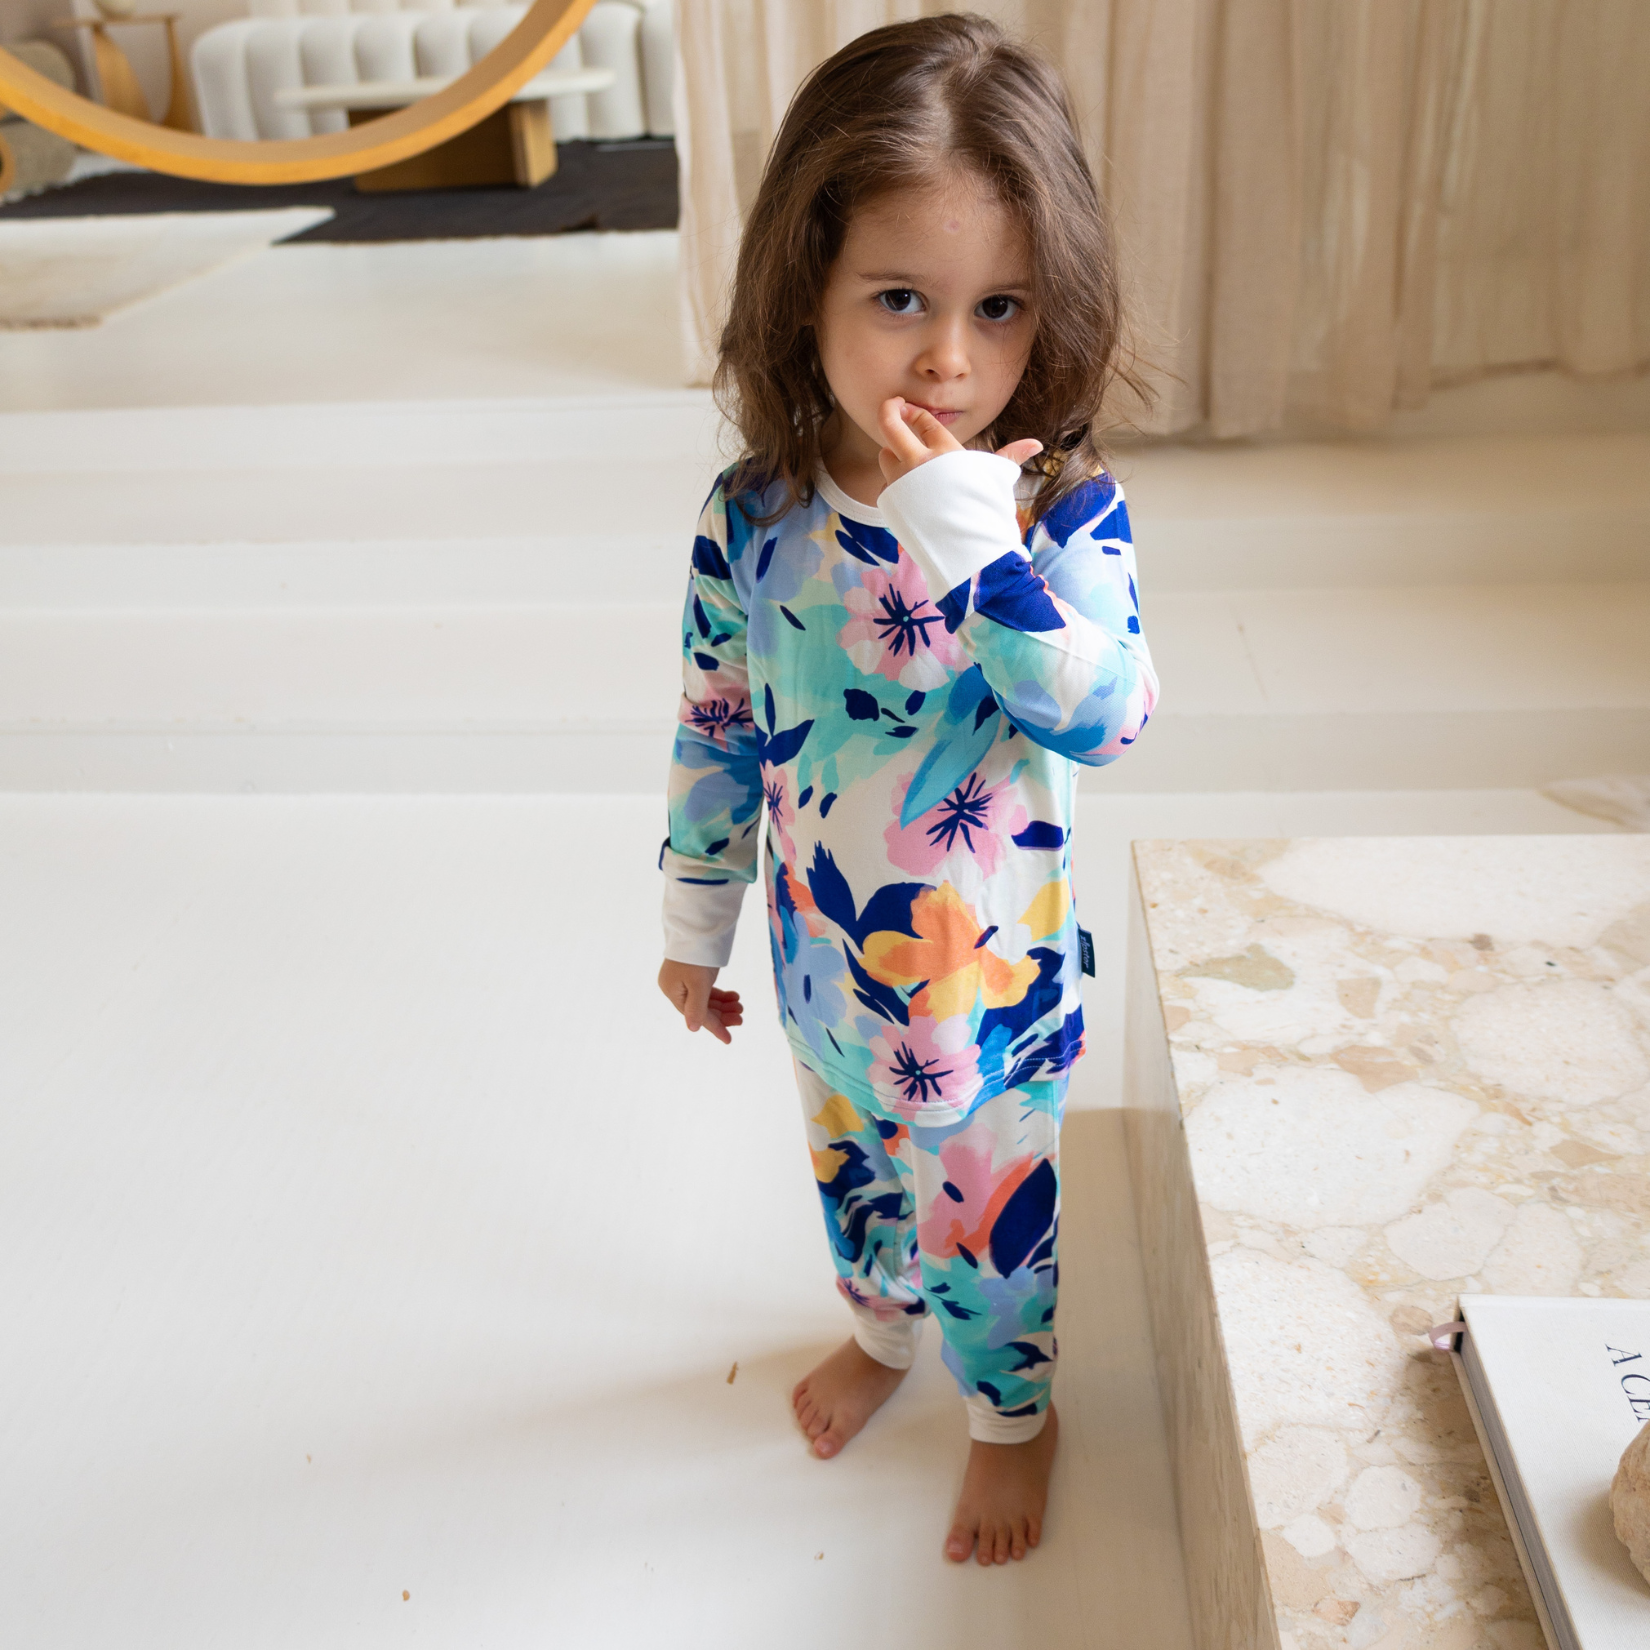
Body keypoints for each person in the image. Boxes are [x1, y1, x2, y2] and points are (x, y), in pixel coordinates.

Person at [655, 12, 1156, 1567]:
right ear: (803, 289)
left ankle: (1011, 1413)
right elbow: (715, 720)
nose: (949, 356)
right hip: (822, 966)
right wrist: (694, 922)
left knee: (985, 1226)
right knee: (850, 1172)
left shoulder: (1056, 515)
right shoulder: (754, 515)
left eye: (997, 306)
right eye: (898, 300)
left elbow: (1110, 716)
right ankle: (878, 1332)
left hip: (986, 993)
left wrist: (980, 552)